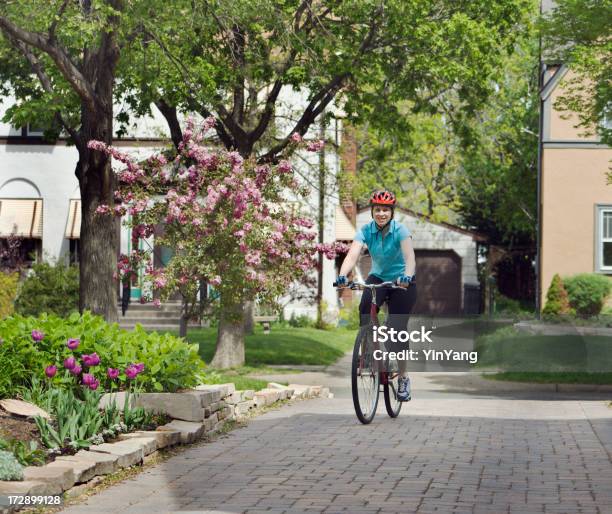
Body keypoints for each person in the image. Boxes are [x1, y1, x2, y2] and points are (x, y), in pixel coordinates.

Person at [336, 189, 417, 401]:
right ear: (372, 211)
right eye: (378, 210)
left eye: (385, 210)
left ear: (392, 212)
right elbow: (352, 254)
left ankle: (403, 378)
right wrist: (342, 275)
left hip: (402, 280)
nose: (381, 213)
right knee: (365, 308)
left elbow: (410, 258)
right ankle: (369, 353)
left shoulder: (401, 231)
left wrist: (407, 276)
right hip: (379, 278)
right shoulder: (365, 231)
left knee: (396, 329)